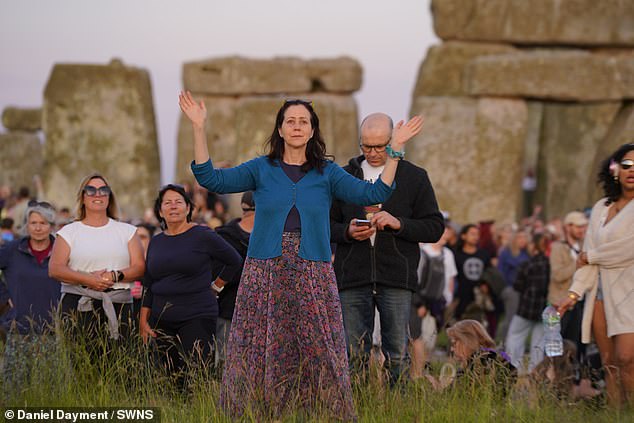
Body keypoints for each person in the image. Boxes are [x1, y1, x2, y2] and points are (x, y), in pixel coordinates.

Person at [180, 91, 422, 419]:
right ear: (279, 129)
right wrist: (198, 126)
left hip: (313, 269)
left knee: (320, 346)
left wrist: (394, 152)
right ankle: (259, 412)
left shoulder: (327, 172)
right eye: (290, 121)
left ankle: (317, 413)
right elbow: (210, 178)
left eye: (303, 122)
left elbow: (375, 193)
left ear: (312, 131)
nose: (296, 126)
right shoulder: (261, 168)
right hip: (266, 268)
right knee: (260, 345)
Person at [330, 112, 444, 386]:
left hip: (396, 276)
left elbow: (434, 227)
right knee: (352, 354)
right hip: (352, 276)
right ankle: (355, 411)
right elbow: (323, 224)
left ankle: (397, 410)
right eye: (366, 146)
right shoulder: (342, 177)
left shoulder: (415, 177)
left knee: (397, 354)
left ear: (392, 140)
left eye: (379, 146)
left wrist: (399, 224)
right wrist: (346, 231)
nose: (372, 153)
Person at [139, 184, 242, 380]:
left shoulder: (202, 235)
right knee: (168, 379)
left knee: (196, 376)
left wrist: (217, 286)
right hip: (161, 320)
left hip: (197, 316)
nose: (173, 206)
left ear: (188, 208)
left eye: (179, 202)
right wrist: (143, 320)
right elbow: (149, 282)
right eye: (167, 203)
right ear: (160, 211)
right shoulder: (156, 242)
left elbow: (234, 261)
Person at [558, 144, 634, 406]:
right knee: (609, 363)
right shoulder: (601, 207)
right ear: (615, 170)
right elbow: (587, 255)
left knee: (627, 358)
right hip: (598, 292)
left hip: (629, 292)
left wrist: (592, 256)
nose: (632, 170)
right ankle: (615, 414)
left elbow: (628, 249)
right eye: (626, 165)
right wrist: (573, 293)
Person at [49, 174, 145, 341]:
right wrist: (88, 279)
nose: (97, 194)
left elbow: (139, 267)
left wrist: (114, 275)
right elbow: (55, 268)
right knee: (78, 364)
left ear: (109, 197)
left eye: (103, 190)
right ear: (83, 197)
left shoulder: (127, 231)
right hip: (78, 305)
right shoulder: (68, 232)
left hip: (118, 305)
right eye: (91, 190)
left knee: (120, 364)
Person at [0, 201, 61, 394]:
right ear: (27, 225)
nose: (38, 227)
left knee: (50, 391)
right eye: (33, 222)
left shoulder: (61, 250)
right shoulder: (12, 250)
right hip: (19, 329)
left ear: (51, 225)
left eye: (43, 223)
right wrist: (3, 298)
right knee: (15, 392)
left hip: (53, 331)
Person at [549, 211, 597, 395]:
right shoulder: (558, 248)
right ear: (568, 227)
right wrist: (579, 263)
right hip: (561, 303)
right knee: (561, 346)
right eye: (578, 226)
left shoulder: (585, 246)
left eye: (584, 226)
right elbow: (558, 275)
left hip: (581, 303)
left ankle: (577, 383)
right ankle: (559, 385)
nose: (582, 230)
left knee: (580, 345)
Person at [212, 191, 255, 368]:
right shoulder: (223, 236)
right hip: (229, 308)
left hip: (262, 312)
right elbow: (215, 273)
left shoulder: (274, 236)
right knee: (225, 363)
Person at [425, 319, 516, 395]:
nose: (452, 349)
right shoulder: (496, 360)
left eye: (454, 343)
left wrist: (437, 387)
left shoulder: (479, 364)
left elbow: (454, 396)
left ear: (467, 341)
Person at [505, 233, 550, 373]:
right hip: (545, 307)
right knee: (539, 342)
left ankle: (512, 366)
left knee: (515, 336)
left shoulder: (527, 264)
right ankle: (535, 371)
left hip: (526, 307)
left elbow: (517, 285)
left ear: (534, 246)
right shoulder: (550, 264)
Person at [453, 224, 491, 320]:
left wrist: (485, 284)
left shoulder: (484, 254)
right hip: (462, 296)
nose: (476, 237)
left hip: (479, 295)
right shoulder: (456, 254)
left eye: (477, 234)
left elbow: (489, 273)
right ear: (463, 236)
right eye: (472, 234)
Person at [497, 230, 530, 341]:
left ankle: (516, 343)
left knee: (521, 320)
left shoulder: (527, 253)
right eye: (520, 237)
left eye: (525, 237)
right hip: (511, 289)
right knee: (511, 317)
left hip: (525, 290)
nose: (522, 240)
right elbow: (501, 273)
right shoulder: (506, 253)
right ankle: (504, 343)